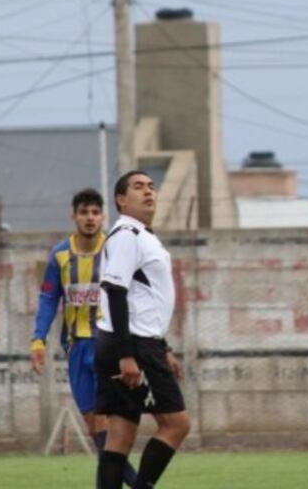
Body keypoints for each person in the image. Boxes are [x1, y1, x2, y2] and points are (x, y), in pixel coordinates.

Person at [29, 189, 137, 486]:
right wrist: (38, 340)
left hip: (108, 347)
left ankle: (138, 484)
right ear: (73, 216)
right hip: (77, 348)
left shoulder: (114, 250)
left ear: (103, 216)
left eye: (95, 212)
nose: (90, 218)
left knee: (107, 426)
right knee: (95, 430)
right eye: (84, 212)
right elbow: (48, 299)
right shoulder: (60, 255)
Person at [95, 171, 190, 489]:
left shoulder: (141, 235)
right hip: (133, 346)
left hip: (136, 342)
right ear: (121, 200)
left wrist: (163, 347)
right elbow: (116, 291)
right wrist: (127, 355)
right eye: (138, 187)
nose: (148, 191)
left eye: (151, 186)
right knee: (176, 424)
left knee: (120, 436)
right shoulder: (127, 234)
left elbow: (143, 301)